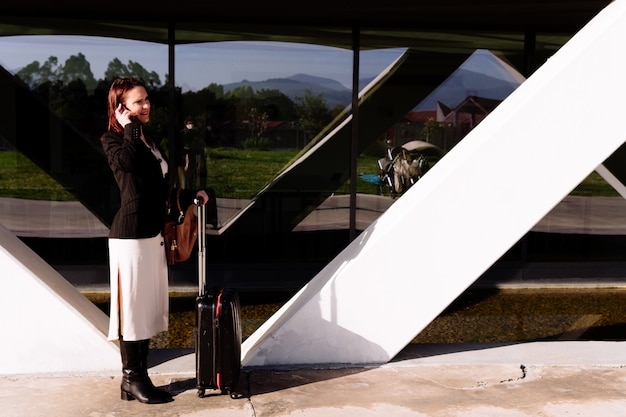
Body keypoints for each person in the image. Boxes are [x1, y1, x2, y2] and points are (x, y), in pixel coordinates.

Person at [100, 78, 208, 404]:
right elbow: (128, 164)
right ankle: (133, 379)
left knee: (145, 308)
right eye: (137, 103)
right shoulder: (113, 139)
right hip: (130, 236)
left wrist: (190, 195)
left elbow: (159, 187)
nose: (145, 106)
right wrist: (129, 127)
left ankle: (134, 379)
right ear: (120, 108)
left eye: (146, 100)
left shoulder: (147, 138)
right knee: (132, 310)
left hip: (152, 235)